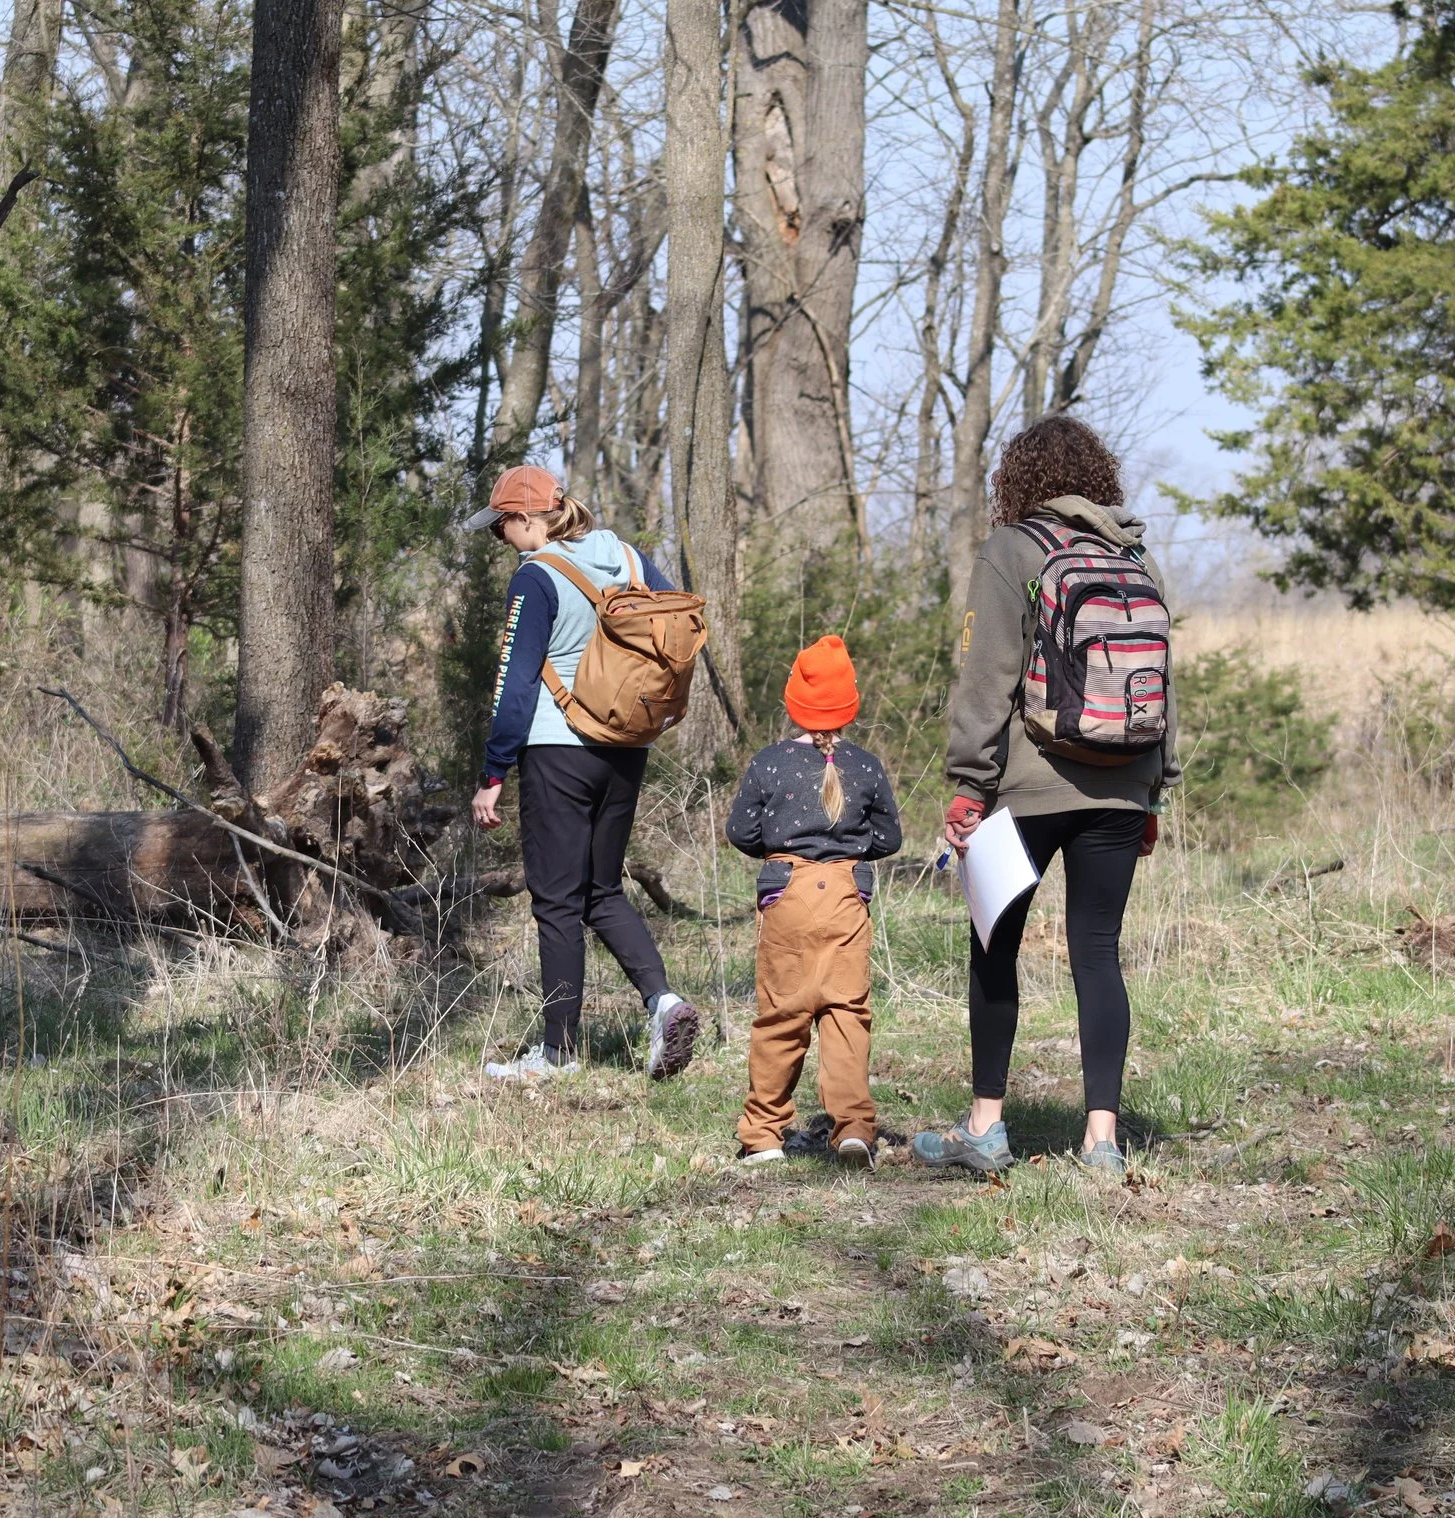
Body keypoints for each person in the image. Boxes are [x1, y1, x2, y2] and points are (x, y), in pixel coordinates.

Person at [916, 415, 1178, 1177]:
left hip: (1026, 788)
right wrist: (1153, 790)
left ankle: (986, 1128)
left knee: (994, 945)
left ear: (1018, 478)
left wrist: (969, 786)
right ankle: (1102, 1140)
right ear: (1099, 476)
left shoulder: (1013, 549)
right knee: (1098, 952)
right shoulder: (1132, 553)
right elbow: (1165, 682)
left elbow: (987, 679)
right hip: (1123, 785)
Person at [467, 465, 702, 1082]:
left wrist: (494, 772)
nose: (502, 540)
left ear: (526, 518)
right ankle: (665, 1003)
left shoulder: (535, 577)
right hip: (626, 745)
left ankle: (556, 1054)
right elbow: (674, 628)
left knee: (556, 901)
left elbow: (515, 683)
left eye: (502, 527)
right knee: (602, 891)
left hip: (555, 748)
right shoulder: (629, 558)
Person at [724, 637, 902, 1168]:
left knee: (782, 1013)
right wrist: (849, 850)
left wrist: (778, 852)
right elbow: (889, 838)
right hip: (848, 893)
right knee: (847, 1011)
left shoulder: (769, 763)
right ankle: (852, 1129)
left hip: (786, 894)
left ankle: (763, 1134)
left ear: (792, 703)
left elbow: (740, 830)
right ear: (850, 705)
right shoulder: (866, 767)